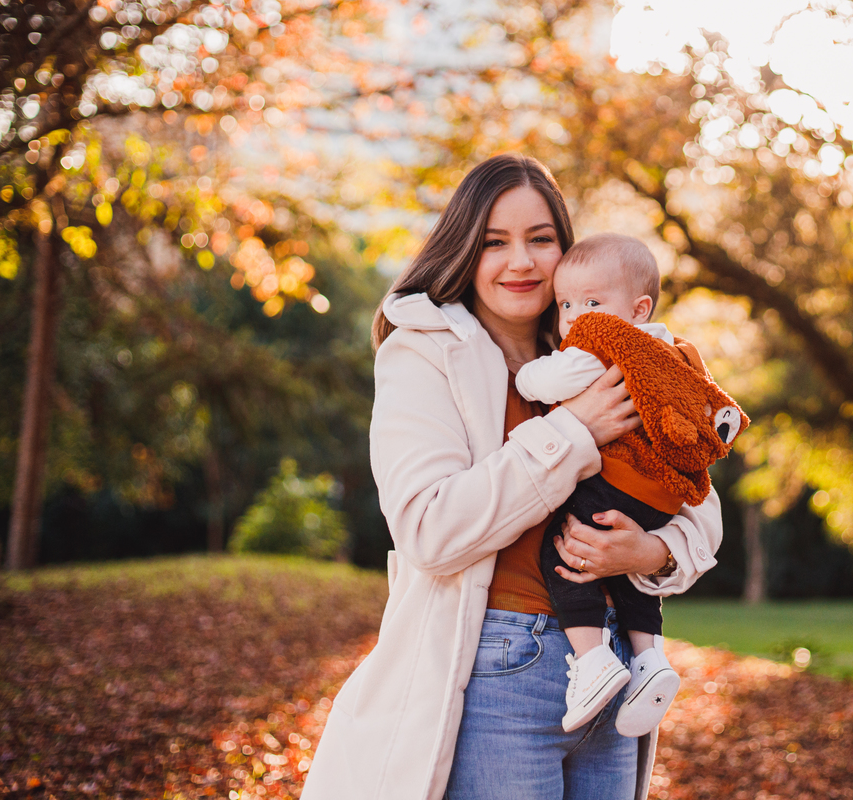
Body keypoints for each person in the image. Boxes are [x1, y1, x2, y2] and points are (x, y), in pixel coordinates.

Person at [299, 154, 723, 800]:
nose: (520, 262)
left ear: (567, 251)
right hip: (498, 669)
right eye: (495, 242)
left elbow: (698, 496)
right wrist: (573, 433)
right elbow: (429, 528)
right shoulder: (423, 353)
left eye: (541, 240)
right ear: (466, 250)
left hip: (611, 668)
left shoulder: (608, 349)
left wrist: (648, 551)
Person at [514, 233, 744, 739]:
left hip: (617, 478)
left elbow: (548, 381)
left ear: (637, 308)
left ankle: (593, 659)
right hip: (663, 497)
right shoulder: (675, 350)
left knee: (566, 550)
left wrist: (526, 377)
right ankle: (649, 659)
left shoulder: (604, 342)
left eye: (592, 302)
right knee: (621, 568)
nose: (576, 315)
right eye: (566, 303)